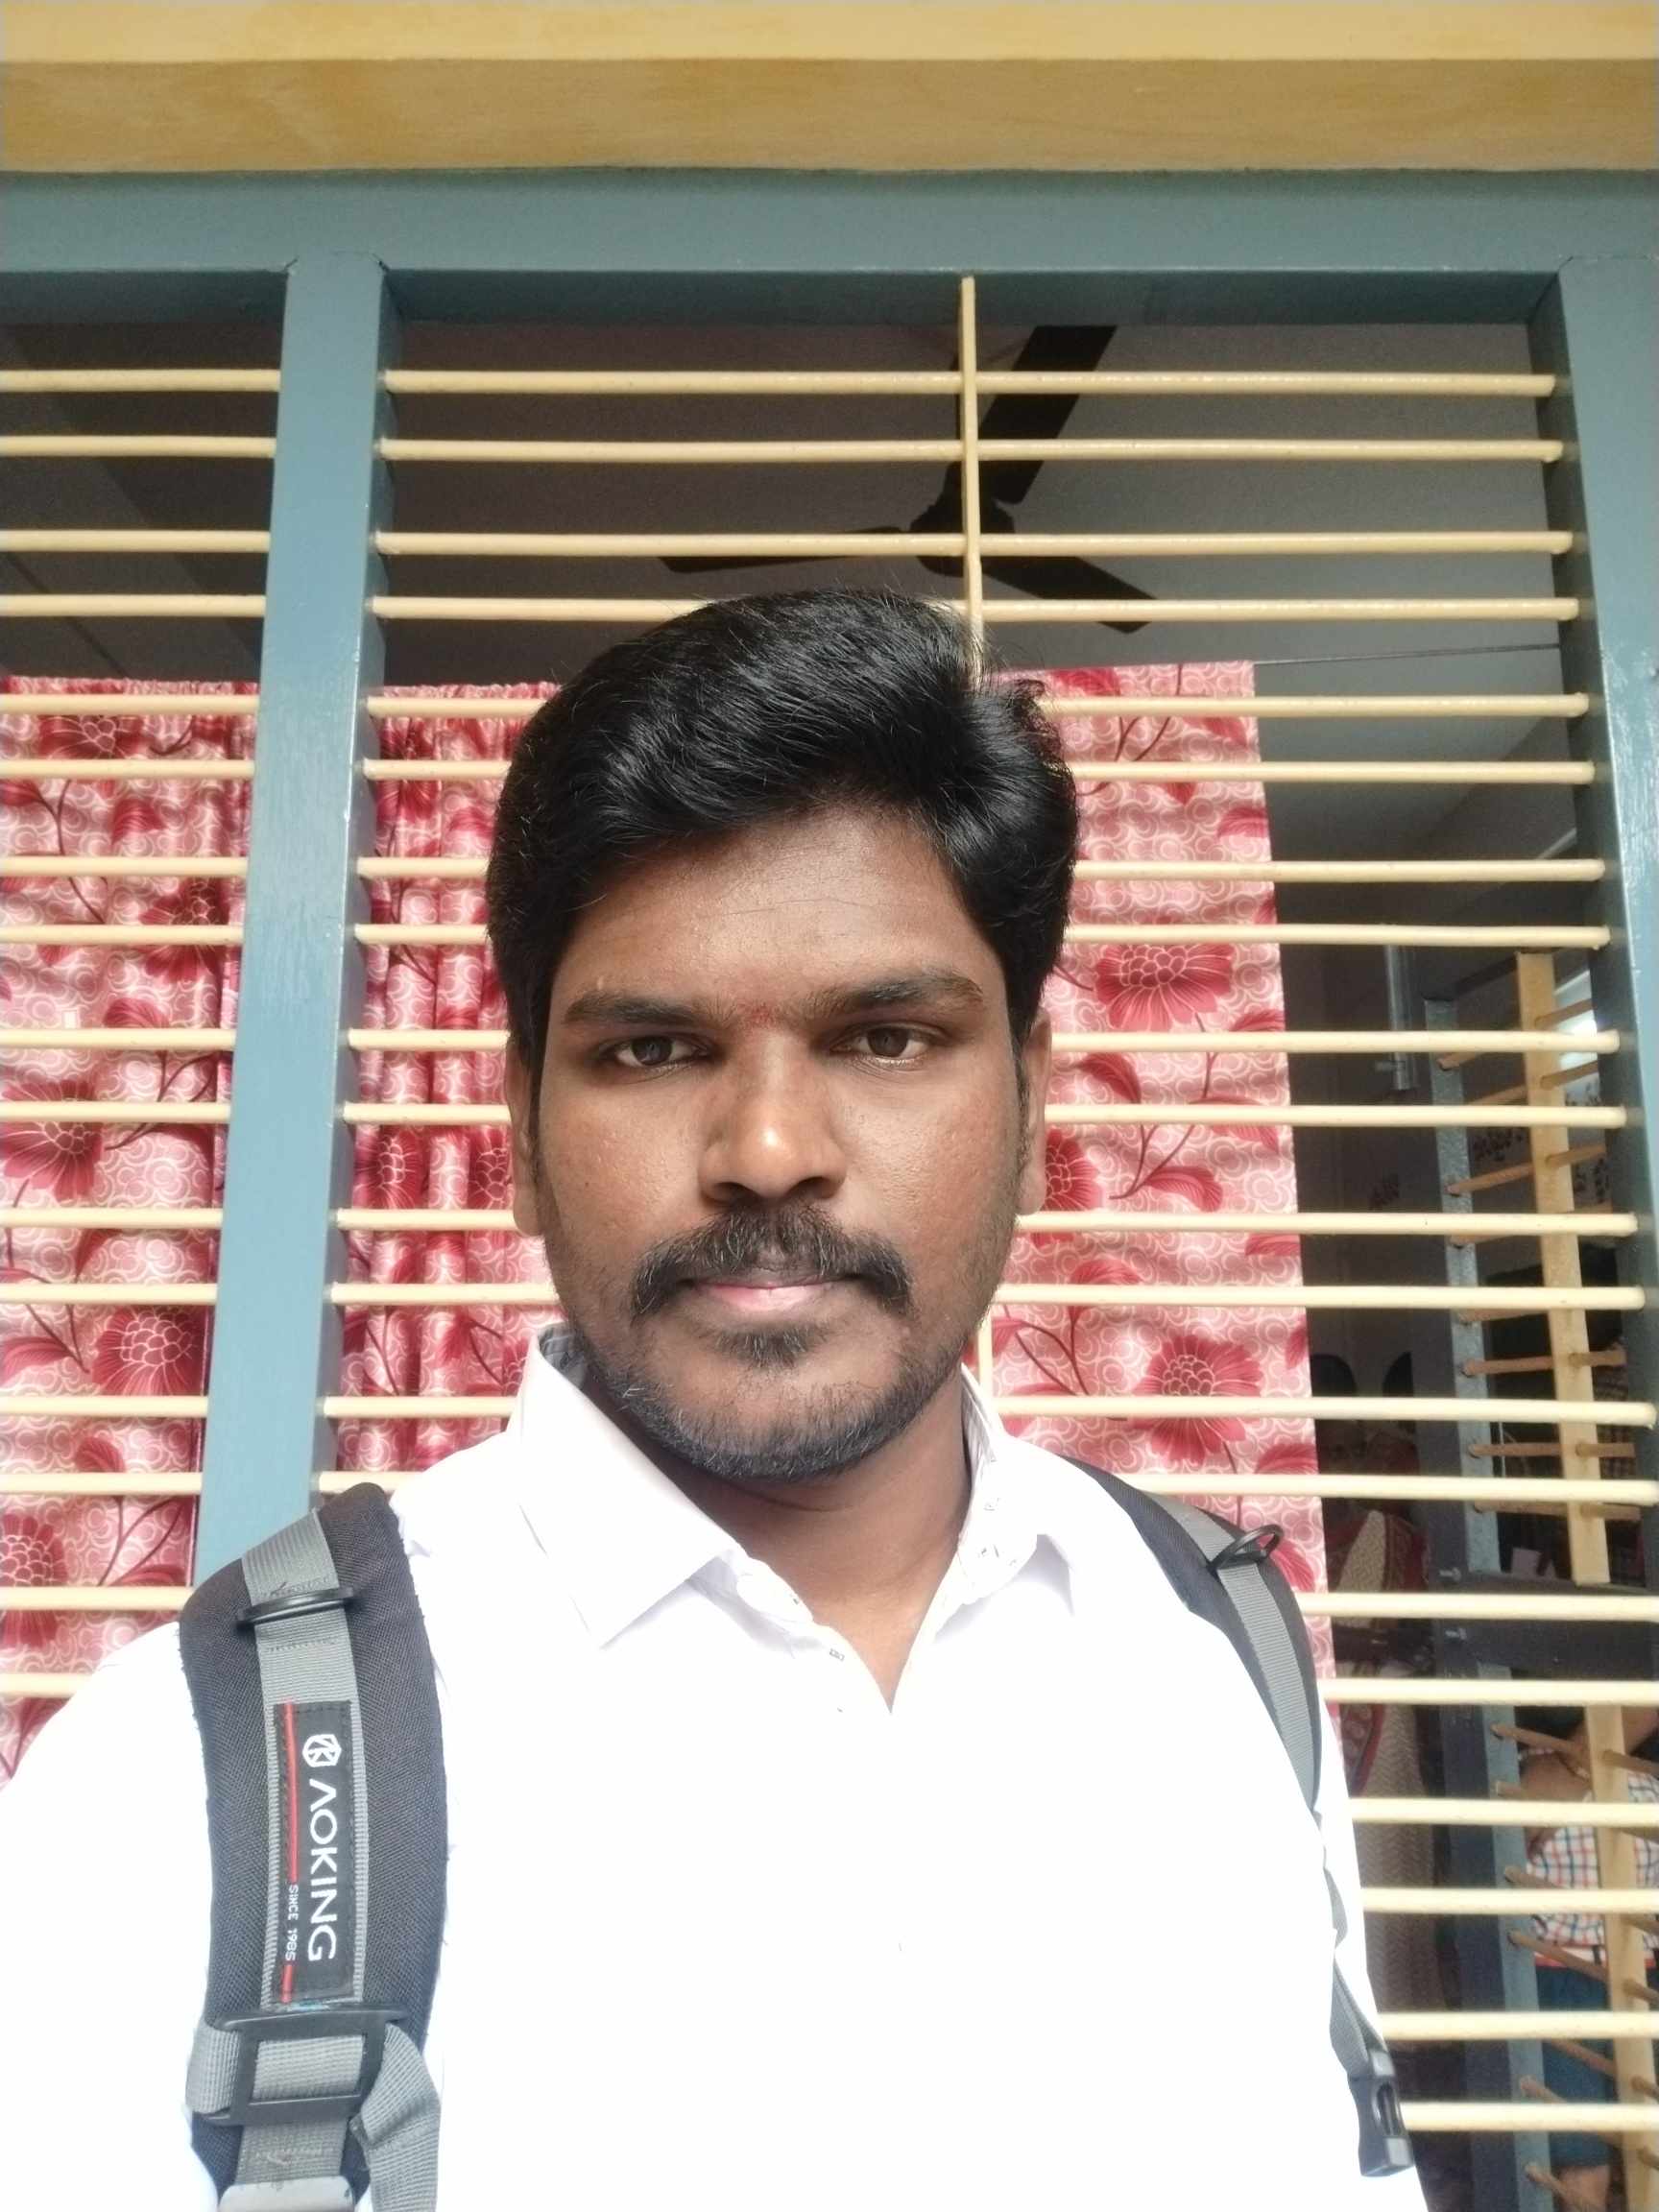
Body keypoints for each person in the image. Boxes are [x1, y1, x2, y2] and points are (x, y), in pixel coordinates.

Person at [0, 591, 1425, 2209]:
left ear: (1034, 1104)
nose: (767, 1151)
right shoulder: (184, 1783)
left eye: (886, 1037)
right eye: (653, 1049)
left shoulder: (1221, 1645)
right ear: (520, 1134)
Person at [1519, 1710, 1659, 2212]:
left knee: (1590, 2153)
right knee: (1598, 2150)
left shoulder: (1528, 1787)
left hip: (1585, 1973)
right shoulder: (1645, 1786)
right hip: (1598, 1973)